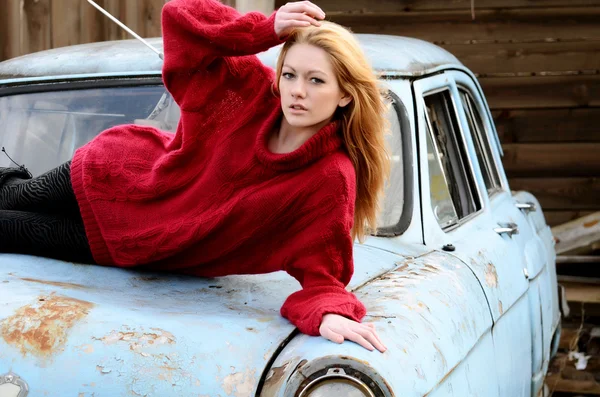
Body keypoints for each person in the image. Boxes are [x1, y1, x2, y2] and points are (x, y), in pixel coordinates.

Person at [0, 0, 390, 352]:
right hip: (111, 171)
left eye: (316, 80)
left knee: (7, 228)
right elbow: (179, 18)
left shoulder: (329, 177)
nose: (297, 91)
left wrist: (330, 313)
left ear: (345, 94)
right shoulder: (252, 91)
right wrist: (263, 30)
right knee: (10, 194)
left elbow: (323, 274)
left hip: (131, 243)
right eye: (289, 74)